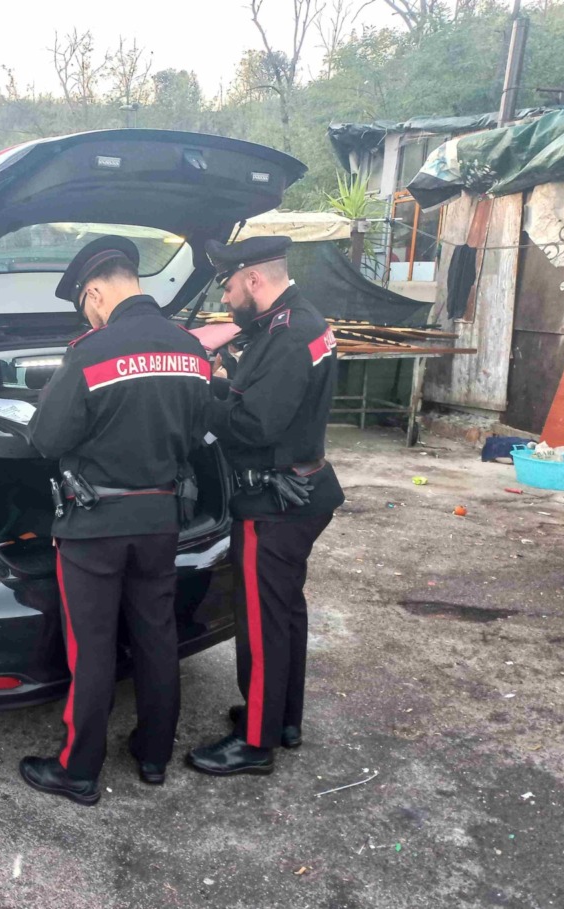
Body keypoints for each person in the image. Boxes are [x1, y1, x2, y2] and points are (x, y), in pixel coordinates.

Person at [19, 236, 212, 806]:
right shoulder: (192, 350)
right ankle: (153, 756)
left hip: (95, 526)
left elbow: (47, 439)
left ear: (98, 293)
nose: (88, 313)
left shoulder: (90, 352)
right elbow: (201, 431)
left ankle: (78, 770)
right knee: (157, 637)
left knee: (94, 647)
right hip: (161, 521)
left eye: (85, 304)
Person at [185, 236, 345, 777]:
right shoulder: (301, 320)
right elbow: (271, 400)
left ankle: (254, 743)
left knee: (261, 622)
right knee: (285, 613)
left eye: (229, 286)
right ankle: (281, 718)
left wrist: (202, 393)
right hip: (303, 487)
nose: (227, 299)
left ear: (254, 278)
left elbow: (254, 424)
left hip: (274, 502)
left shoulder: (287, 334)